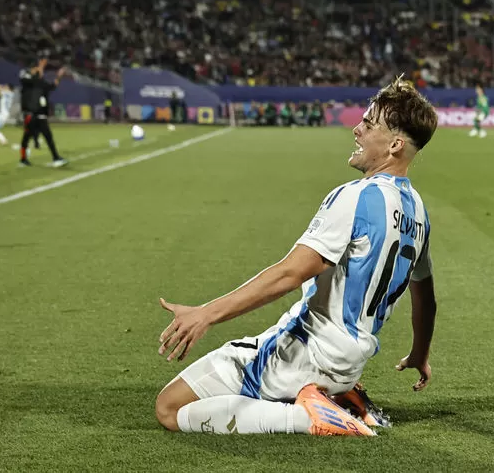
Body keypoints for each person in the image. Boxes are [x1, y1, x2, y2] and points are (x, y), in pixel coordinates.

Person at [155, 77, 439, 436]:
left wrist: (206, 314)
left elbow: (291, 273)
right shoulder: (419, 214)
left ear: (395, 144)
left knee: (170, 407)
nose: (357, 130)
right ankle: (336, 393)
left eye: (368, 125)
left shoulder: (356, 197)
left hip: (305, 351)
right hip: (350, 362)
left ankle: (312, 416)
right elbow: (425, 299)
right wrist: (420, 353)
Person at [19, 58, 68, 168]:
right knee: (26, 137)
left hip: (40, 114)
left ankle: (56, 157)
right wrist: (40, 67)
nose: (41, 72)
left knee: (47, 136)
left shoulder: (41, 83)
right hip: (30, 113)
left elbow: (52, 86)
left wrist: (59, 76)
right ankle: (23, 159)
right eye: (38, 69)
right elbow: (27, 78)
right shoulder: (26, 79)